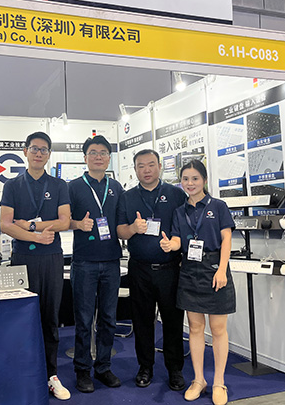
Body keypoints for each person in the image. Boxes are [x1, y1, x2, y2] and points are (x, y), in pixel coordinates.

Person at [0, 131, 71, 401]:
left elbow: (64, 221)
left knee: (51, 317)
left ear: (49, 154)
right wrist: (36, 237)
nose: (39, 153)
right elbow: (6, 224)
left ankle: (51, 374)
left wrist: (30, 225)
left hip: (52, 258)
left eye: (43, 149)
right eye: (34, 148)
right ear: (25, 151)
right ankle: (25, 371)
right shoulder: (13, 185)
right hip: (23, 258)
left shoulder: (59, 185)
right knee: (24, 316)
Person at [160, 159, 235, 405]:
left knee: (218, 329)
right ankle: (199, 379)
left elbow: (226, 239)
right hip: (190, 270)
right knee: (194, 328)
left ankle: (219, 382)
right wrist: (170, 245)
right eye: (185, 179)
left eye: (195, 178)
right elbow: (178, 239)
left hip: (214, 269)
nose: (190, 183)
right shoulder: (179, 211)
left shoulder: (218, 206)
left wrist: (222, 270)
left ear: (204, 180)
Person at [117, 149, 187, 391]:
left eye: (150, 164)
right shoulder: (127, 197)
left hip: (170, 268)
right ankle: (145, 367)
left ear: (159, 166)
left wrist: (176, 245)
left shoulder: (176, 194)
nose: (146, 170)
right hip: (139, 269)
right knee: (142, 321)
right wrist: (133, 229)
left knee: (173, 320)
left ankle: (175, 369)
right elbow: (120, 231)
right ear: (135, 169)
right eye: (140, 166)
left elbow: (185, 228)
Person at [68, 135, 124, 393]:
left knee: (109, 319)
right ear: (85, 157)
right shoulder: (73, 187)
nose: (98, 156)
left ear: (109, 158)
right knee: (83, 319)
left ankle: (103, 367)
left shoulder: (117, 187)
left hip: (111, 261)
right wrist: (78, 224)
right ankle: (82, 370)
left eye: (103, 152)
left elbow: (122, 222)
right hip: (84, 261)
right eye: (93, 152)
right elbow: (61, 220)